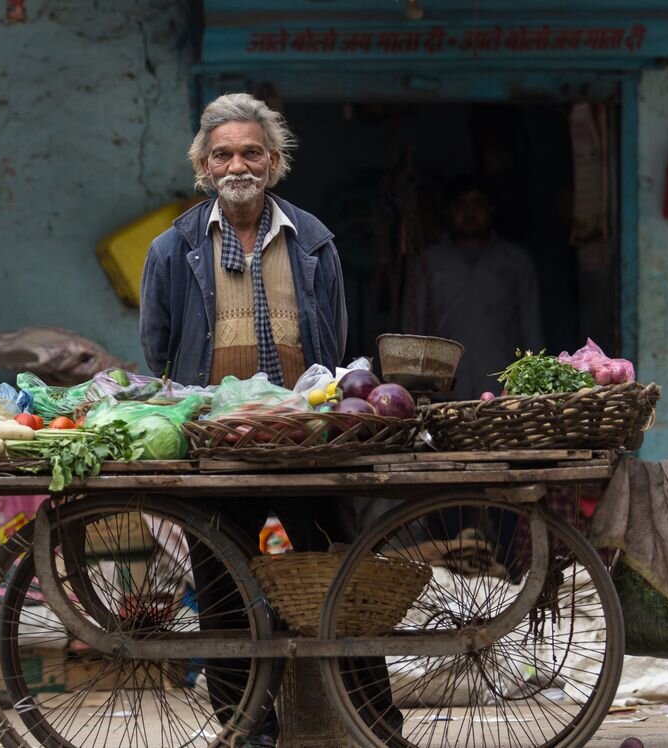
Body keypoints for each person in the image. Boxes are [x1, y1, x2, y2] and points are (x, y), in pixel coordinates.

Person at [139, 93, 398, 746]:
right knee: (224, 597)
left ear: (275, 161)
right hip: (217, 448)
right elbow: (157, 345)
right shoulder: (174, 249)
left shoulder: (314, 242)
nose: (237, 164)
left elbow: (332, 348)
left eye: (251, 151)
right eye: (222, 153)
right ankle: (248, 731)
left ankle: (375, 723)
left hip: (303, 443)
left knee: (340, 582)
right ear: (202, 166)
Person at [404, 175, 544, 399]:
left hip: (504, 389)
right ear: (447, 212)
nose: (469, 212)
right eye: (461, 204)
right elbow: (413, 329)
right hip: (444, 391)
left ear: (491, 209)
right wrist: (412, 389)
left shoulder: (515, 261)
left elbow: (531, 327)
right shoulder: (429, 262)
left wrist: (534, 386)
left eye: (477, 203)